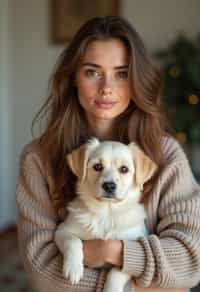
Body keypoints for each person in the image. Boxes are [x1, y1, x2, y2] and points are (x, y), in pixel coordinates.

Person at [16, 16, 200, 292]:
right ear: (73, 78)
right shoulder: (37, 159)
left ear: (136, 80)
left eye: (121, 73)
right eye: (92, 71)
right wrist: (155, 286)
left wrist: (109, 252)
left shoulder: (166, 154)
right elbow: (43, 274)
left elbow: (190, 263)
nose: (107, 88)